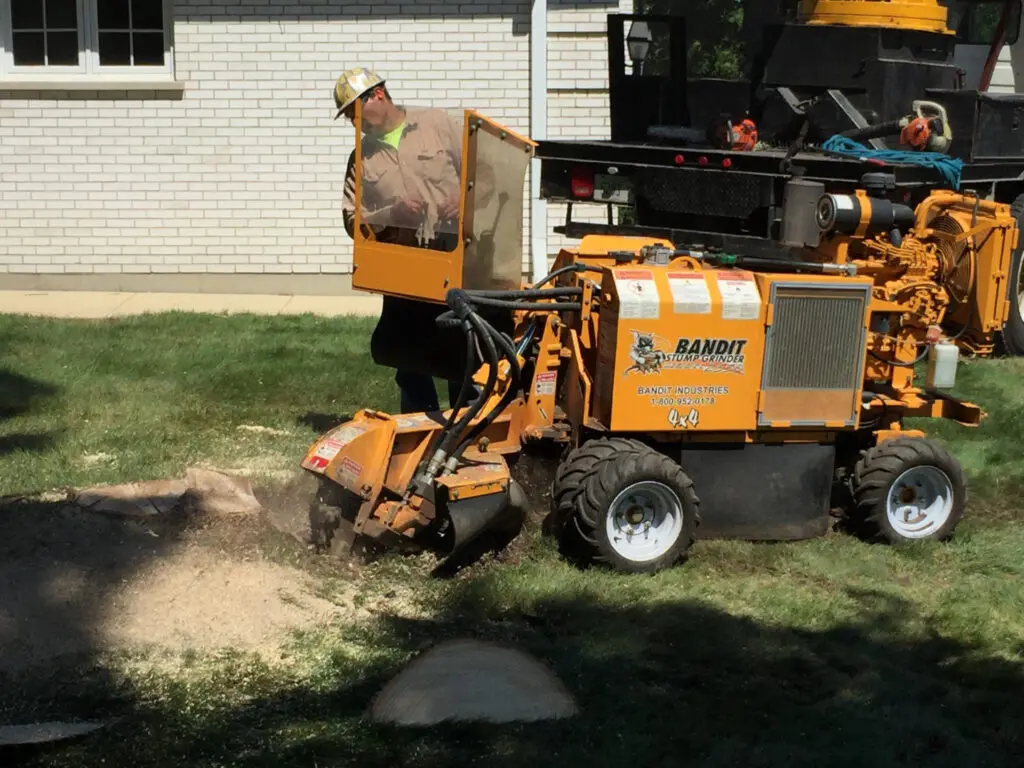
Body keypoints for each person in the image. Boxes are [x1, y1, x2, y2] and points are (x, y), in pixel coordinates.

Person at [334, 67, 469, 415]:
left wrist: (463, 202)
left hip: (456, 262)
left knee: (465, 354)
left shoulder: (437, 124)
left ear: (377, 95)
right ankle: (414, 435)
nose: (353, 123)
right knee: (411, 361)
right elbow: (353, 218)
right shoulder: (360, 159)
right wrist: (392, 214)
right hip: (404, 270)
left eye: (354, 112)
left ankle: (468, 434)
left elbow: (481, 172)